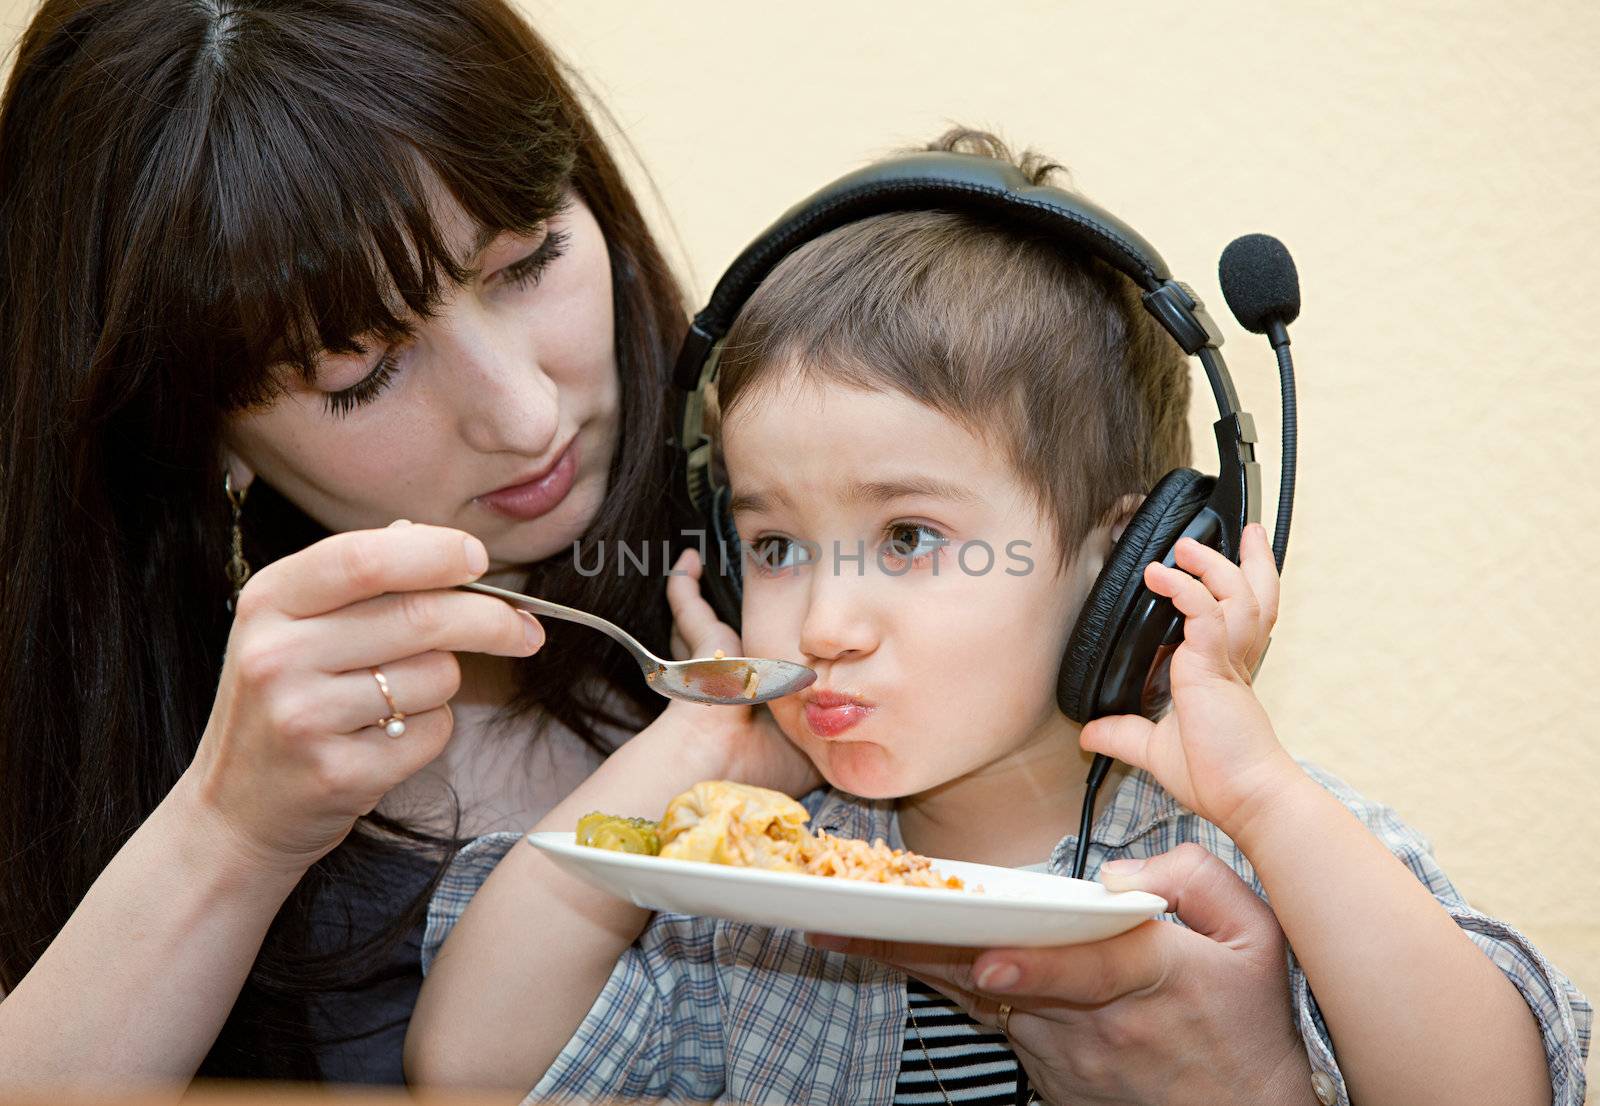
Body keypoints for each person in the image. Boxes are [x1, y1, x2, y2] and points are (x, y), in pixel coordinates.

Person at [406, 132, 1593, 1105]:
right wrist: (706, 738)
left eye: (910, 538)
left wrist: (1269, 798)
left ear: (1130, 566)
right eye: (771, 546)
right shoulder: (750, 891)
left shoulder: (1247, 846)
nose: (823, 619)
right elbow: (469, 1067)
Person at [0, 0, 816, 1087]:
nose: (523, 415)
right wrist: (230, 832)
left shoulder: (819, 551)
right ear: (203, 435)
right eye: (361, 373)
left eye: (526, 263)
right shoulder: (60, 719)